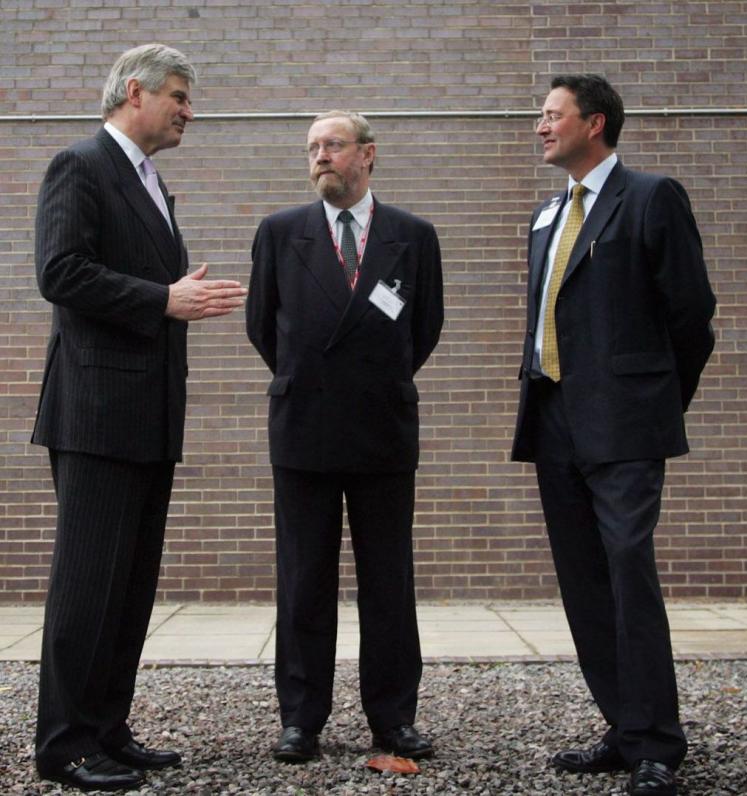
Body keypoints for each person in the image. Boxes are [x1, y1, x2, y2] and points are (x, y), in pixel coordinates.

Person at [32, 43, 247, 792]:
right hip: (95, 415)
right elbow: (60, 271)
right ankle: (63, 745)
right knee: (88, 585)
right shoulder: (80, 165)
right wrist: (164, 298)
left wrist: (171, 292)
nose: (190, 111)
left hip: (149, 416)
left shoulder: (150, 181)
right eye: (180, 96)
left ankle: (106, 729)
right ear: (136, 92)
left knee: (128, 587)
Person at [511, 74, 715, 796]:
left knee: (628, 573)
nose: (541, 126)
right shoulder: (546, 213)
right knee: (585, 583)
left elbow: (691, 315)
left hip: (625, 424)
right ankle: (625, 730)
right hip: (553, 420)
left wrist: (654, 403)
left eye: (552, 114)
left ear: (594, 123)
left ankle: (658, 743)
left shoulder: (652, 197)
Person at [246, 110, 443, 763]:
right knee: (304, 579)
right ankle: (301, 718)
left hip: (383, 427)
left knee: (389, 580)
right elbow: (262, 327)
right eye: (312, 147)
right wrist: (310, 378)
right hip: (304, 426)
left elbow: (424, 329)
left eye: (332, 145)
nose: (320, 156)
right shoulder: (281, 233)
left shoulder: (413, 236)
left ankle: (394, 717)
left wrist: (373, 378)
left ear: (367, 154)